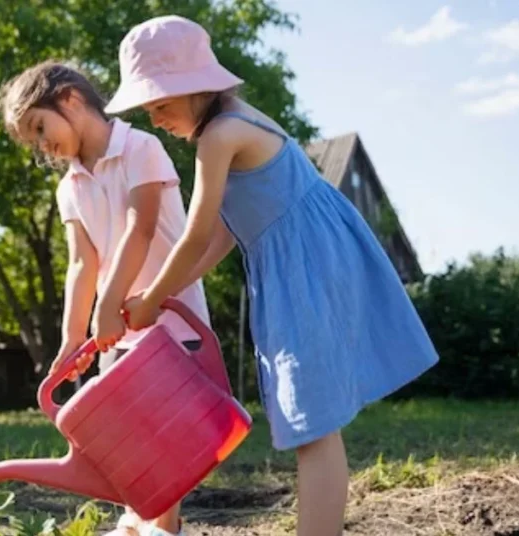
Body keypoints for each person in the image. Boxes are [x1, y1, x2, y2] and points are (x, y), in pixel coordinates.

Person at [110, 15, 440, 536]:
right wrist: (167, 296)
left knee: (314, 423)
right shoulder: (232, 124)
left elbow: (195, 234)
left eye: (161, 104)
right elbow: (224, 233)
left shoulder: (219, 136)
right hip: (303, 263)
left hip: (305, 267)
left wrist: (151, 296)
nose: (155, 118)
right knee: (310, 420)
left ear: (194, 88)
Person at [0, 59, 211, 536]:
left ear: (69, 98)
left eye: (39, 127)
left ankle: (161, 529)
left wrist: (107, 306)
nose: (42, 146)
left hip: (171, 321)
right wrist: (74, 337)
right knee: (128, 437)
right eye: (33, 141)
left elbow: (142, 228)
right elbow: (81, 263)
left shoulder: (142, 147)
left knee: (165, 441)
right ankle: (137, 521)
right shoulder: (69, 186)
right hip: (118, 333)